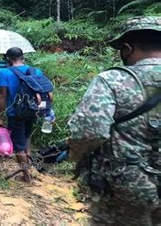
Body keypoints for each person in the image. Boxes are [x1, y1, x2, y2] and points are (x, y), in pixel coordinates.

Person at [68, 16, 161, 225]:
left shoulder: (113, 80)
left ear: (127, 49)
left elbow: (88, 132)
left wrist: (75, 155)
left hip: (127, 186)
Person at [0, 47, 44, 183]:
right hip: (33, 111)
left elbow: (2, 96)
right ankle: (29, 167)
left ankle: (26, 176)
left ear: (8, 59)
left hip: (15, 113)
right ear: (23, 57)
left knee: (18, 146)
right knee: (27, 138)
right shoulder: (35, 71)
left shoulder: (4, 72)